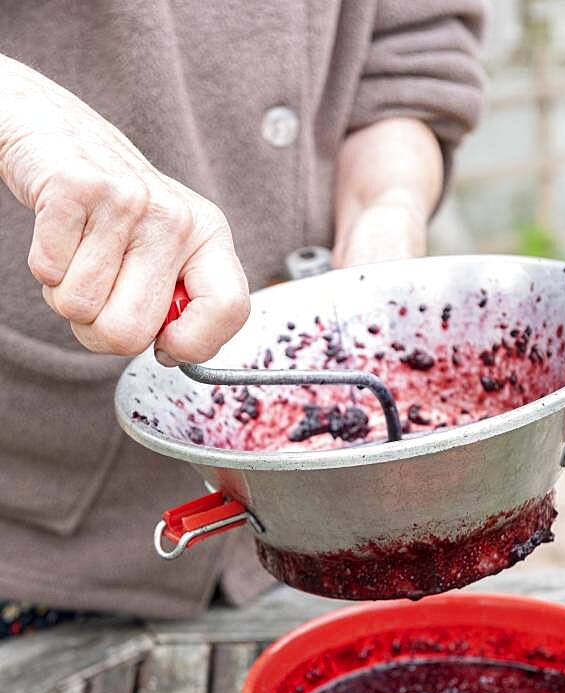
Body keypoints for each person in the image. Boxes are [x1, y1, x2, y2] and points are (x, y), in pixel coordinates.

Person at [0, 1, 486, 632]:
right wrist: (27, 122)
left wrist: (385, 207)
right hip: (34, 525)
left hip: (303, 539)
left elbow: (408, 49)